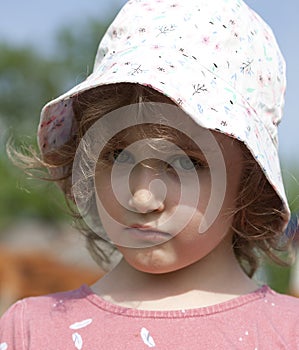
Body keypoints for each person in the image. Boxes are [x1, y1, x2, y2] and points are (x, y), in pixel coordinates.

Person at [1, 0, 299, 348]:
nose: (143, 197)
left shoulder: (286, 333)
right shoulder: (30, 330)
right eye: (116, 154)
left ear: (249, 182)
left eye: (187, 163)